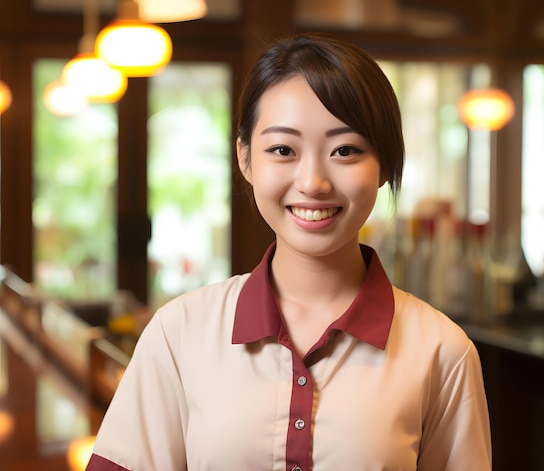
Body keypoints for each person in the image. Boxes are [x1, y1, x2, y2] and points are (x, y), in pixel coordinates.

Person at [86, 32, 491, 470]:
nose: (313, 182)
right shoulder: (179, 333)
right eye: (283, 149)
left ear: (386, 165)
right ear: (245, 159)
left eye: (346, 150)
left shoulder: (443, 351)